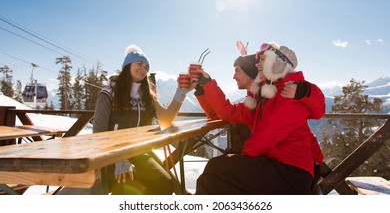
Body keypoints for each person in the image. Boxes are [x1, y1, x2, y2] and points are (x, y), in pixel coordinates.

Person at [195, 42, 325, 195]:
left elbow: (268, 134)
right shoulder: (267, 96)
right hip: (277, 165)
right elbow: (229, 112)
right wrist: (207, 84)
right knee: (213, 175)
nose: (258, 65)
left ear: (276, 64)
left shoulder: (289, 91)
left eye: (263, 59)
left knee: (215, 174)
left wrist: (241, 160)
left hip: (291, 172)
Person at [92, 44, 191, 195]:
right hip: (113, 157)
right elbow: (99, 134)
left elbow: (165, 119)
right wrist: (119, 159)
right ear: (127, 65)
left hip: (140, 153)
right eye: (139, 64)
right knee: (126, 189)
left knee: (166, 184)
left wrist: (181, 92)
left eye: (146, 67)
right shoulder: (109, 93)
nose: (143, 69)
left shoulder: (147, 95)